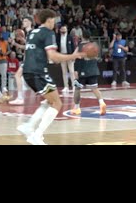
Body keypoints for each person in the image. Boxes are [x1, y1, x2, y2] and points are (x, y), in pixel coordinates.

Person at [16, 9, 86, 145]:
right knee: (57, 103)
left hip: (28, 71)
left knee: (50, 101)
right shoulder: (48, 33)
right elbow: (53, 56)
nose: (55, 23)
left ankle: (29, 126)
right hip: (38, 72)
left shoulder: (32, 32)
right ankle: (37, 135)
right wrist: (74, 56)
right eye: (54, 20)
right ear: (49, 20)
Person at [70, 30, 107, 116]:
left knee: (77, 89)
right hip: (93, 70)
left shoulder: (80, 46)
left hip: (82, 71)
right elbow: (97, 57)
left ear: (82, 36)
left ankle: (77, 108)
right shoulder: (94, 46)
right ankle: (102, 103)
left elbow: (73, 57)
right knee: (94, 88)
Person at [8, 16, 34, 105]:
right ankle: (20, 97)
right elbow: (26, 47)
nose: (23, 22)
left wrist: (24, 40)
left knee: (18, 76)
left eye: (25, 21)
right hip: (28, 58)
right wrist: (15, 43)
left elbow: (32, 46)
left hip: (31, 59)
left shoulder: (31, 33)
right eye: (23, 21)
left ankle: (20, 98)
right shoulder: (27, 33)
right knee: (18, 75)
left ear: (30, 22)